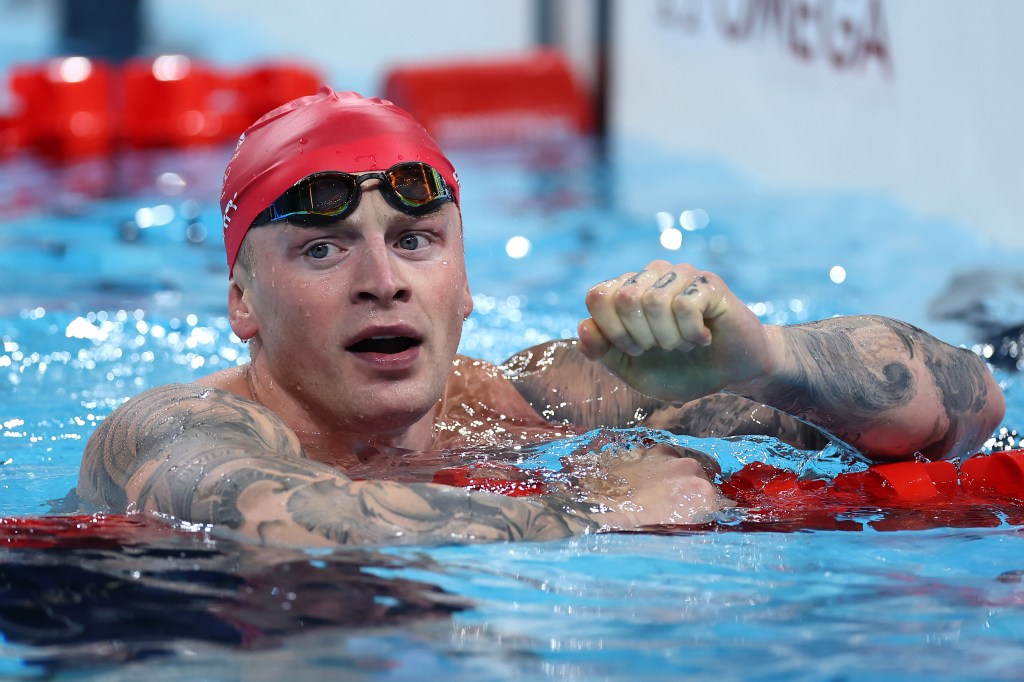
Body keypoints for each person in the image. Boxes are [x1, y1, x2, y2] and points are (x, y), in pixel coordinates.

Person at [77, 88, 1005, 547]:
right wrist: (601, 512)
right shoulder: (173, 429)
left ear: (465, 283)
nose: (381, 280)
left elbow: (969, 410)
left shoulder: (531, 402)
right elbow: (277, 519)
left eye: (415, 240)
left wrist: (761, 358)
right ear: (242, 301)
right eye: (321, 249)